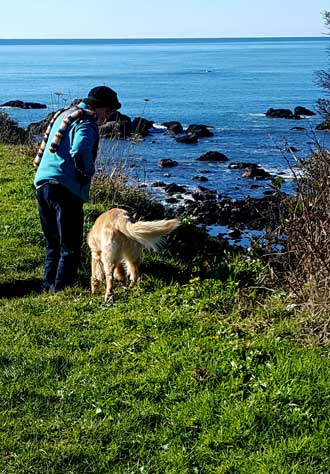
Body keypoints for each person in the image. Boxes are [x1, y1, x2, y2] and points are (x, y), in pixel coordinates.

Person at [34, 85, 121, 292]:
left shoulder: (64, 115)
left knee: (53, 243)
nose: (108, 117)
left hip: (43, 183)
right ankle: (63, 290)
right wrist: (86, 173)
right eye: (108, 111)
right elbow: (80, 149)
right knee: (70, 247)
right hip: (65, 188)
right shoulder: (86, 122)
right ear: (98, 107)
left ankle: (49, 287)